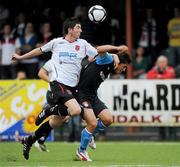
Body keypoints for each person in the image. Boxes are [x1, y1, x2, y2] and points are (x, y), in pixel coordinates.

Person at [12, 17, 121, 160]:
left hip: (73, 88)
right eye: (78, 27)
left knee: (57, 121)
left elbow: (98, 53)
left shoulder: (83, 44)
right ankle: (48, 110)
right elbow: (38, 51)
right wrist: (21, 57)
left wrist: (114, 55)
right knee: (76, 110)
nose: (81, 30)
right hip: (59, 84)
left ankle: (30, 140)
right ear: (70, 30)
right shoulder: (57, 42)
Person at [35, 47, 130, 161]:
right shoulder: (108, 59)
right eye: (124, 67)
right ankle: (81, 151)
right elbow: (99, 49)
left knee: (108, 119)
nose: (123, 70)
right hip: (79, 94)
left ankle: (87, 134)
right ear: (120, 62)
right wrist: (116, 50)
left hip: (92, 95)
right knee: (89, 123)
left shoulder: (108, 64)